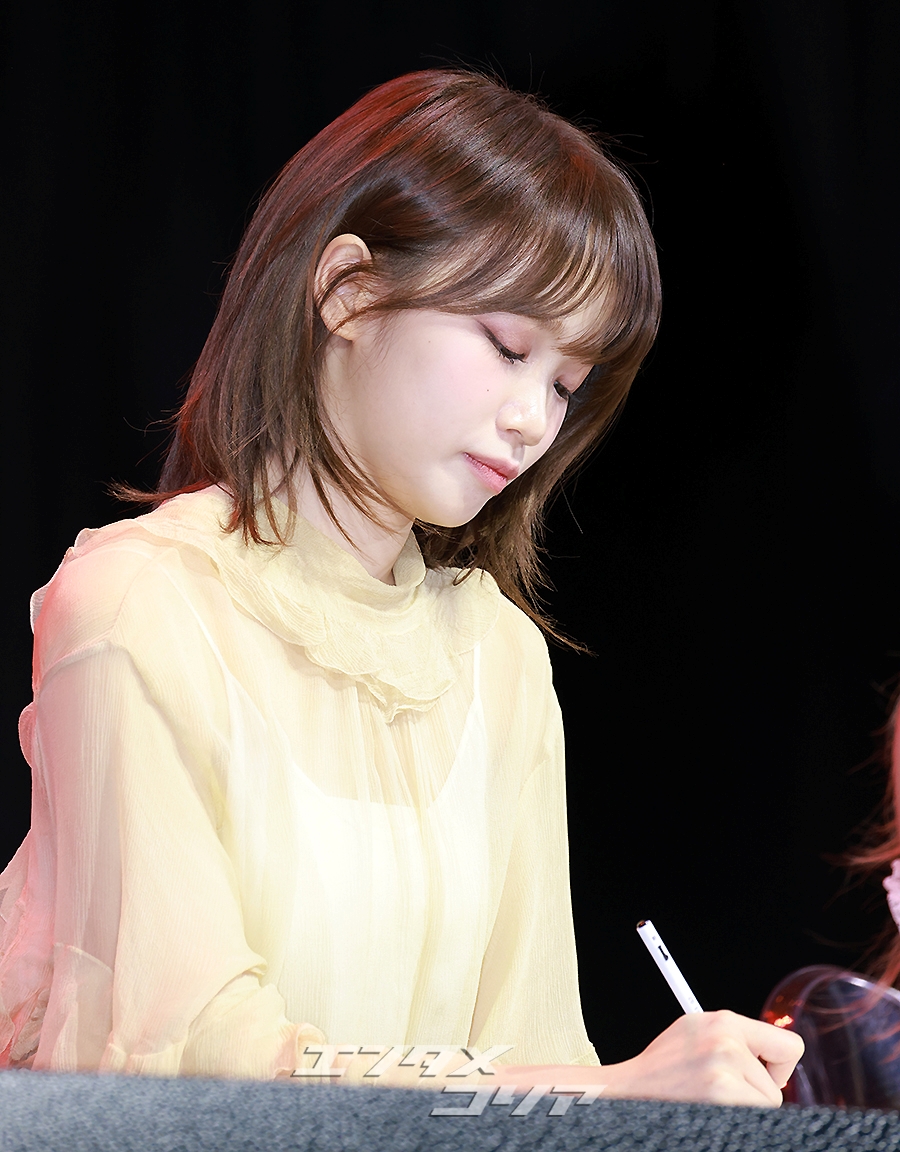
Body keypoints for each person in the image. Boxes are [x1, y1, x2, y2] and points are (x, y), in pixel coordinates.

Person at [0, 68, 802, 1103]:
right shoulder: (139, 607)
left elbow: (533, 1051)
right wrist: (603, 1093)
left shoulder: (497, 657)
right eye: (507, 346)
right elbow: (191, 1061)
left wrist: (621, 1097)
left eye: (565, 384)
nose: (532, 420)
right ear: (349, 290)